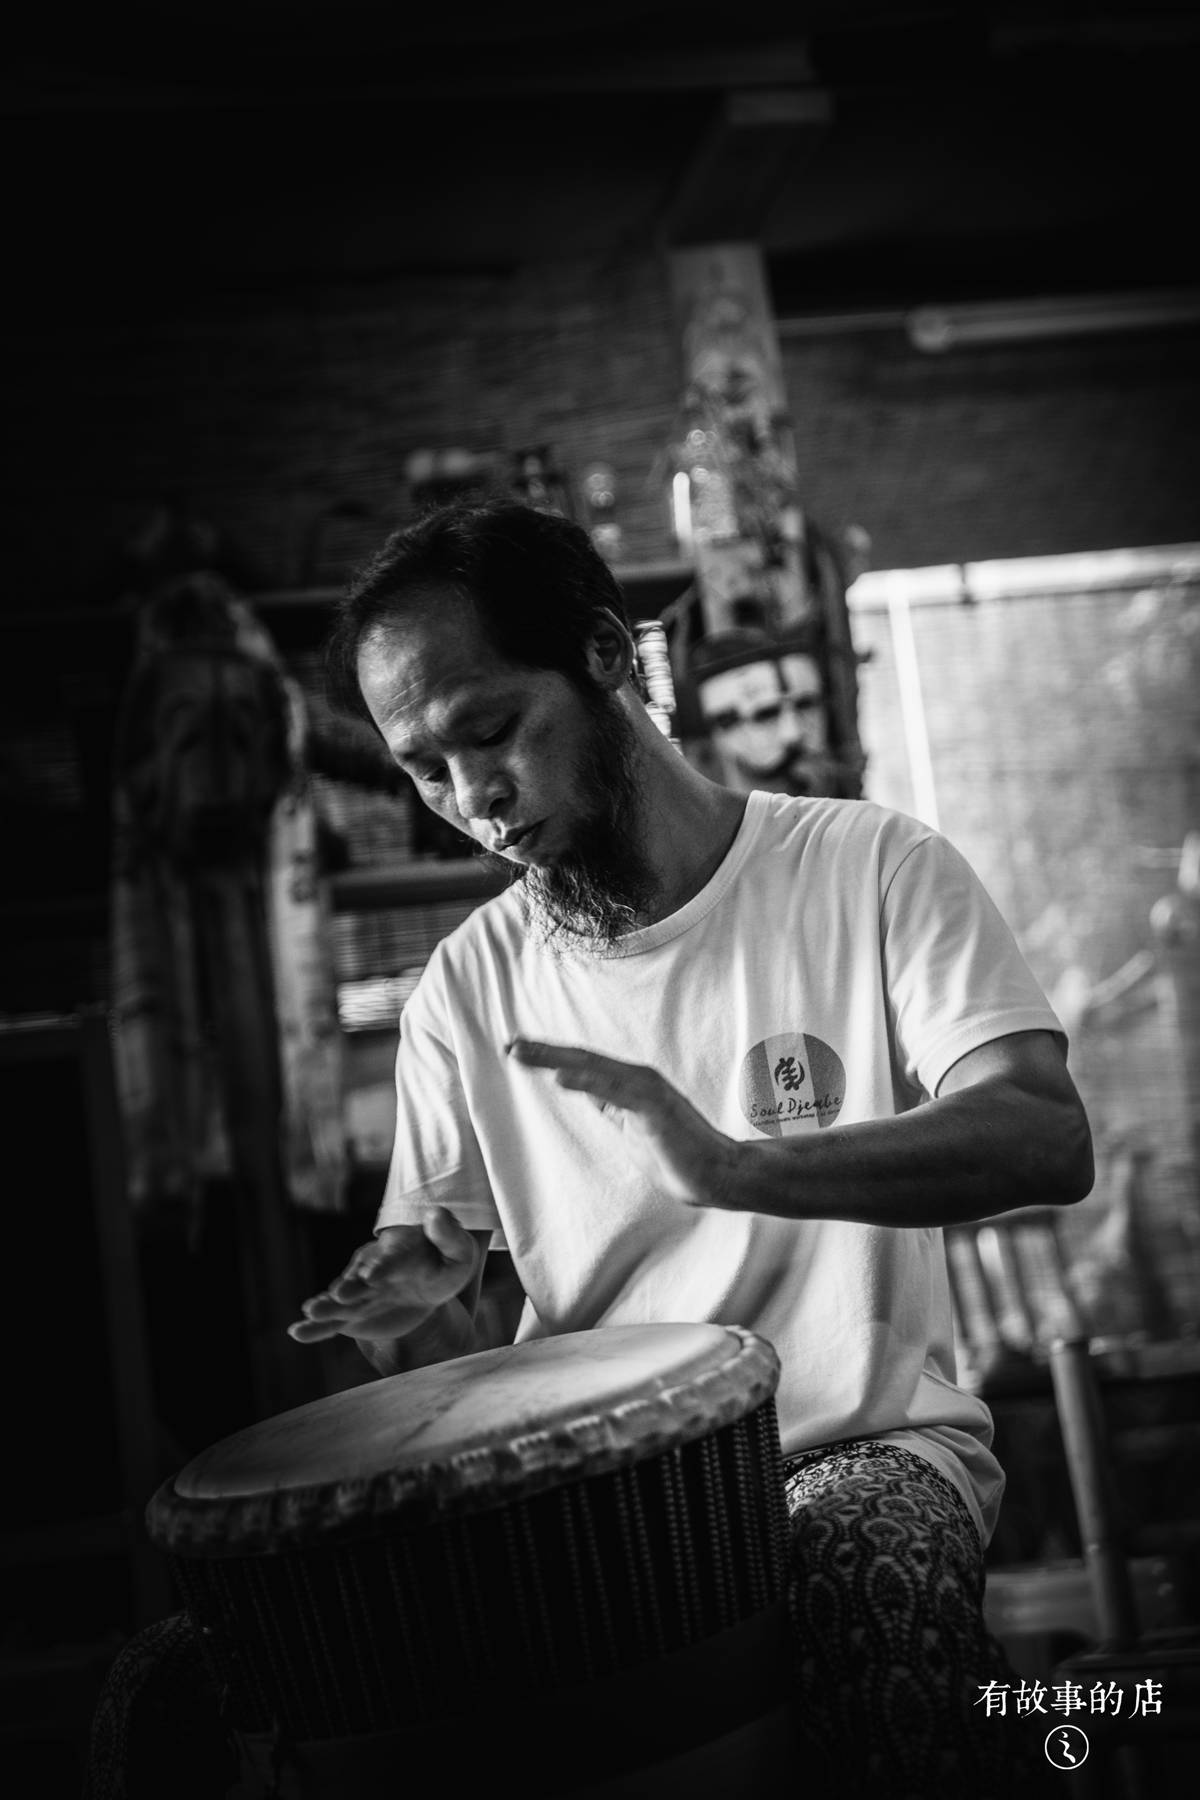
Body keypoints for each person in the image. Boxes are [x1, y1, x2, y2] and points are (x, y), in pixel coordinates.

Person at [283, 498, 1093, 1795]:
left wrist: (738, 1170)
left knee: (860, 1577)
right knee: (248, 1677)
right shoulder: (465, 991)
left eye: (492, 731)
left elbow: (1043, 1135)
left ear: (607, 654)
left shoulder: (867, 868)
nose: (474, 799)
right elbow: (445, 1353)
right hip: (588, 1491)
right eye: (424, 771)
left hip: (856, 1447)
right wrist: (412, 1314)